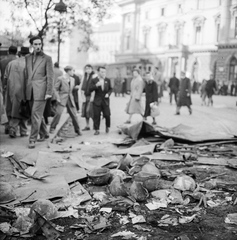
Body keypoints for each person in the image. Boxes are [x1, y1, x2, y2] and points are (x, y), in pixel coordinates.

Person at [25, 36, 54, 149]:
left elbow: (50, 77)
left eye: (39, 44)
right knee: (38, 115)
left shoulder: (47, 58)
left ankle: (32, 139)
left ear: (41, 45)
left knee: (35, 115)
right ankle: (45, 133)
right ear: (32, 45)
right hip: (30, 90)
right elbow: (27, 75)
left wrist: (49, 92)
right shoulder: (27, 57)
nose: (38, 46)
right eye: (35, 44)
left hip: (41, 91)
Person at [4, 47, 30, 138]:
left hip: (12, 90)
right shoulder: (29, 64)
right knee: (25, 109)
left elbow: (5, 77)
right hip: (25, 91)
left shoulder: (11, 64)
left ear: (19, 54)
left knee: (14, 109)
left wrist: (5, 87)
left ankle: (13, 128)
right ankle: (23, 131)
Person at [50, 66, 81, 136]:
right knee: (58, 113)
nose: (73, 72)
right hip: (62, 98)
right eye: (73, 71)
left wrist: (76, 88)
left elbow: (71, 89)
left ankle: (77, 130)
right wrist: (57, 97)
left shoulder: (72, 79)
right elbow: (55, 89)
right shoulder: (60, 78)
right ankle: (52, 127)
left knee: (74, 115)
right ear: (68, 71)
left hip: (70, 99)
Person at [89, 66, 112, 135]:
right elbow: (90, 89)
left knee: (107, 114)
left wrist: (108, 94)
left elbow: (110, 89)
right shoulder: (94, 80)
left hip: (105, 100)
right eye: (102, 72)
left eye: (104, 72)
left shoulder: (107, 80)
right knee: (96, 115)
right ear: (98, 72)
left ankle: (107, 126)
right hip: (97, 100)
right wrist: (96, 85)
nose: (103, 73)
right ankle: (96, 129)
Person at [80, 64, 95, 131]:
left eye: (89, 69)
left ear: (91, 69)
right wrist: (82, 96)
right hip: (85, 96)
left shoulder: (94, 76)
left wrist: (92, 97)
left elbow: (95, 88)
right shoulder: (85, 76)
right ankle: (87, 125)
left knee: (90, 111)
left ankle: (95, 124)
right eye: (86, 69)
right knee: (85, 112)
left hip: (92, 96)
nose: (87, 70)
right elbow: (82, 87)